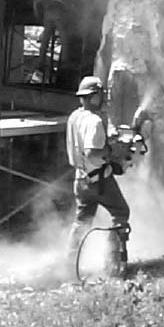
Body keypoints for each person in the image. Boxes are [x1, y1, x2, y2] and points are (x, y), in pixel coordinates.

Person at [66, 75, 130, 276]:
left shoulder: (75, 117)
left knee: (82, 221)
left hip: (80, 179)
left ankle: (70, 264)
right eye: (101, 94)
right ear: (93, 96)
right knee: (120, 212)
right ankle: (115, 263)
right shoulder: (94, 122)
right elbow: (93, 152)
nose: (103, 98)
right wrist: (112, 152)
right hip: (99, 180)